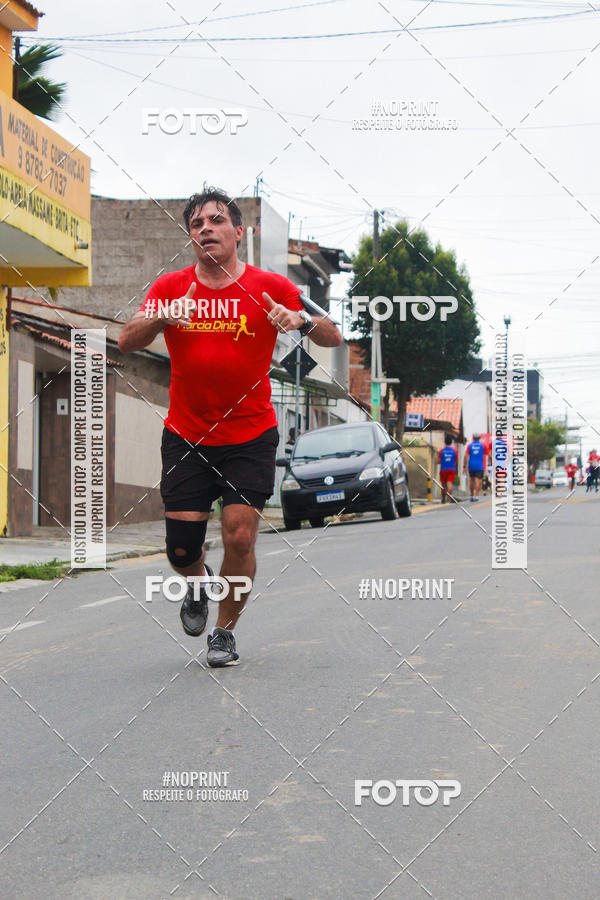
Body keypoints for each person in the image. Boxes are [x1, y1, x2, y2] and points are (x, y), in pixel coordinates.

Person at [118, 187, 342, 666]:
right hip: (187, 436)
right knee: (181, 550)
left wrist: (298, 320)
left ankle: (224, 631)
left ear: (239, 232)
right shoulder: (171, 287)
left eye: (216, 220)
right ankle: (197, 586)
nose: (206, 229)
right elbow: (126, 340)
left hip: (250, 434)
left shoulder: (270, 286)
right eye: (197, 224)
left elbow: (332, 333)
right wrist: (161, 316)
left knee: (240, 535)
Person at [463, 432, 485, 502]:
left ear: (473, 438)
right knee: (477, 480)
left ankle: (472, 496)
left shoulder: (470, 445)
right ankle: (477, 495)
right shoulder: (482, 445)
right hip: (479, 465)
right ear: (479, 438)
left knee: (471, 480)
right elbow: (489, 454)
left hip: (471, 465)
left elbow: (466, 456)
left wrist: (464, 466)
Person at [438, 434, 457, 504]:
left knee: (443, 484)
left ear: (445, 442)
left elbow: (439, 461)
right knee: (449, 483)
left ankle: (443, 499)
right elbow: (455, 461)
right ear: (451, 442)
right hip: (451, 469)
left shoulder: (441, 451)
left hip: (443, 469)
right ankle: (449, 497)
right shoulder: (454, 451)